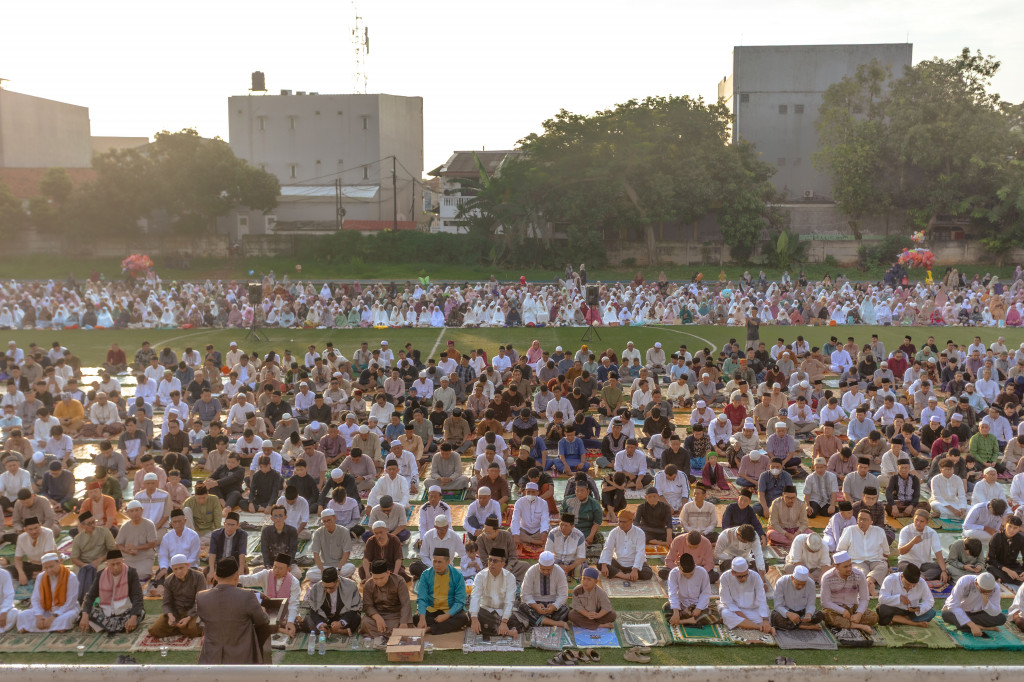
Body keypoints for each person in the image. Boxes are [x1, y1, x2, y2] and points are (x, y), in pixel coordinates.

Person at [197, 557, 271, 664]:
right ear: (237, 577)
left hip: (211, 657)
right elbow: (263, 621)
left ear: (215, 576)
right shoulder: (247, 596)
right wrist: (262, 610)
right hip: (241, 658)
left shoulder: (201, 597)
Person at [78, 549, 144, 634]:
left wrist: (133, 617)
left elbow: (137, 596)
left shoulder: (131, 573)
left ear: (123, 561)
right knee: (85, 613)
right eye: (112, 564)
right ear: (107, 564)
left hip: (126, 611)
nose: (116, 567)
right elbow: (90, 596)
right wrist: (85, 615)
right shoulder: (100, 575)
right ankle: (117, 626)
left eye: (118, 563)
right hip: (106, 612)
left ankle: (103, 626)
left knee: (140, 613)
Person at [17, 552, 80, 632]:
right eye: (46, 568)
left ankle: (34, 627)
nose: (49, 570)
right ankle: (54, 627)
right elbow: (35, 599)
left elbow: (71, 602)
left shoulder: (71, 577)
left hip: (65, 610)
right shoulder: (41, 577)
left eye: (51, 566)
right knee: (22, 615)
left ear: (59, 563)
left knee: (68, 617)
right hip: (46, 609)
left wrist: (54, 616)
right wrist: (39, 616)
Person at [148, 553, 206, 639]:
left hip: (194, 612)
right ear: (172, 569)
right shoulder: (169, 580)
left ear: (187, 565)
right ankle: (180, 628)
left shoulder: (199, 577)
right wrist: (170, 616)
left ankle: (179, 628)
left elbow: (200, 601)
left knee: (191, 629)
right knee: (155, 630)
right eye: (175, 569)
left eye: (181, 568)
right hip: (176, 612)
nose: (178, 571)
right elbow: (167, 603)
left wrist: (188, 618)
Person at [469, 547, 524, 637]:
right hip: (485, 611)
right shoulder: (480, 576)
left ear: (503, 563)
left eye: (495, 561)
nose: (491, 563)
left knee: (518, 617)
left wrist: (504, 621)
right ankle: (508, 632)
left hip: (503, 612)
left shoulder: (510, 577)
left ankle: (492, 629)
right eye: (489, 560)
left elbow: (509, 601)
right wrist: (474, 619)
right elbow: (475, 597)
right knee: (471, 615)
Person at [415, 547, 470, 635]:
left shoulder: (457, 575)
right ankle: (446, 626)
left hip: (450, 610)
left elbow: (460, 601)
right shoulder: (426, 574)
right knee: (416, 618)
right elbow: (422, 598)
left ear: (448, 562)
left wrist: (446, 616)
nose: (436, 565)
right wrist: (422, 619)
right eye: (434, 561)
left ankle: (430, 628)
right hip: (433, 609)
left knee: (463, 618)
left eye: (439, 562)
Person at [820, 551, 877, 634]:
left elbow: (864, 598)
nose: (849, 569)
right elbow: (825, 602)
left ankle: (846, 623)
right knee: (825, 615)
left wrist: (859, 614)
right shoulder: (827, 577)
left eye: (850, 565)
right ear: (836, 567)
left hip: (853, 608)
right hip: (835, 609)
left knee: (874, 617)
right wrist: (842, 611)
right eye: (845, 567)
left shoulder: (859, 575)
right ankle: (858, 626)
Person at [836, 509, 890, 595]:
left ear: (871, 522)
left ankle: (868, 582)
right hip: (857, 561)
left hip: (876, 561)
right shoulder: (849, 530)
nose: (861, 521)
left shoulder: (879, 531)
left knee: (882, 567)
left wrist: (888, 565)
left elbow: (886, 552)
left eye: (865, 520)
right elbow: (841, 550)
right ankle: (870, 586)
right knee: (860, 571)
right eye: (859, 519)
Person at [69, 510, 117, 603]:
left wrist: (100, 560)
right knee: (73, 573)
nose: (93, 525)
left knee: (102, 570)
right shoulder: (78, 538)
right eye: (89, 524)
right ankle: (78, 599)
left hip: (102, 562)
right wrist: (84, 565)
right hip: (84, 564)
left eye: (93, 522)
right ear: (82, 526)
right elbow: (74, 558)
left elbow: (113, 550)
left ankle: (101, 597)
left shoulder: (104, 532)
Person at [718, 557, 774, 634]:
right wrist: (745, 619)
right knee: (725, 613)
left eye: (745, 575)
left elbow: (762, 600)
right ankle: (757, 627)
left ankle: (743, 624)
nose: (743, 578)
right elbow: (727, 601)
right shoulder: (725, 577)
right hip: (735, 610)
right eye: (740, 576)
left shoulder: (755, 576)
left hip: (753, 610)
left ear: (748, 571)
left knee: (764, 618)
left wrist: (765, 620)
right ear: (732, 573)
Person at [941, 572, 1007, 635]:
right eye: (983, 591)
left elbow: (995, 611)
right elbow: (953, 605)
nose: (987, 593)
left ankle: (965, 626)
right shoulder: (964, 581)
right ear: (976, 583)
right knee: (946, 614)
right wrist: (972, 625)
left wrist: (986, 600)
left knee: (1001, 618)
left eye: (989, 592)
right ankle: (982, 627)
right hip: (960, 611)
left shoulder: (995, 588)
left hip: (978, 613)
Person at [518, 552, 570, 630]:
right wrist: (536, 606)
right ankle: (556, 623)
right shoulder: (531, 571)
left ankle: (540, 622)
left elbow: (563, 595)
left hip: (552, 604)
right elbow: (525, 594)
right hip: (535, 604)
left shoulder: (559, 571)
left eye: (549, 569)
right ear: (538, 563)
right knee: (523, 608)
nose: (545, 572)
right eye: (543, 569)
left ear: (553, 564)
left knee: (565, 610)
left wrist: (554, 606)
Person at [304, 566, 362, 635]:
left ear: (337, 581)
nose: (328, 590)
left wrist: (341, 623)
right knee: (307, 621)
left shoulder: (350, 585)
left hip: (342, 616)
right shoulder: (316, 588)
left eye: (331, 588)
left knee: (356, 618)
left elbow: (354, 608)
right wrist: (321, 624)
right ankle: (339, 631)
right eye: (325, 587)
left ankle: (331, 631)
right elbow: (313, 609)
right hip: (325, 617)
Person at [663, 553, 718, 626]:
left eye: (691, 574)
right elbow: (672, 593)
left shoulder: (702, 572)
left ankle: (680, 621)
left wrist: (698, 608)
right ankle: (692, 620)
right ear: (679, 568)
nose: (688, 576)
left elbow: (705, 593)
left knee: (717, 615)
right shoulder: (674, 573)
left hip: (696, 605)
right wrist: (676, 612)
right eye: (685, 574)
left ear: (695, 567)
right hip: (681, 605)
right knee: (666, 607)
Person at [896, 508, 949, 582]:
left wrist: (944, 571)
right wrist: (912, 542)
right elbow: (901, 551)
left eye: (921, 521)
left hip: (923, 564)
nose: (918, 523)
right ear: (913, 519)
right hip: (907, 562)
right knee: (903, 568)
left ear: (927, 523)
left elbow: (938, 553)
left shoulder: (932, 533)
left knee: (940, 568)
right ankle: (921, 577)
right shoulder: (905, 531)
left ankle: (918, 577)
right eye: (916, 520)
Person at [599, 509, 653, 580]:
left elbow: (640, 552)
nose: (621, 524)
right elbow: (608, 548)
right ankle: (624, 576)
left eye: (624, 522)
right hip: (619, 563)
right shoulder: (614, 532)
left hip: (634, 564)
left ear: (631, 521)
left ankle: (618, 573)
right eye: (619, 521)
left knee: (647, 573)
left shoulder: (640, 533)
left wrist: (635, 570)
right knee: (600, 563)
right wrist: (604, 565)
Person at [771, 565, 824, 631]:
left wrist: (808, 614)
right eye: (798, 584)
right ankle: (805, 626)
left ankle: (795, 624)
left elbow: (811, 604)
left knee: (819, 615)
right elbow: (778, 605)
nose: (800, 587)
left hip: (802, 613)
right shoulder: (782, 582)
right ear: (792, 578)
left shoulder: (810, 583)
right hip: (787, 611)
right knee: (775, 616)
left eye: (803, 584)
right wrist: (788, 614)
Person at [207, 512, 248, 582]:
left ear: (238, 526)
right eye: (228, 524)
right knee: (207, 572)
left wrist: (240, 571)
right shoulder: (215, 534)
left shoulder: (242, 535)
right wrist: (211, 570)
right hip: (219, 565)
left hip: (234, 565)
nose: (229, 527)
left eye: (233, 525)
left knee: (245, 571)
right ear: (224, 524)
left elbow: (242, 554)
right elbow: (212, 553)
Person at [311, 509, 352, 575]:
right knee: (310, 574)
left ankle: (331, 577)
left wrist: (339, 569)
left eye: (329, 520)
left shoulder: (344, 531)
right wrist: (322, 570)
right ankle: (336, 577)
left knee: (351, 568)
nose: (327, 524)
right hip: (325, 565)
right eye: (324, 521)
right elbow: (315, 553)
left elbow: (347, 552)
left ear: (335, 518)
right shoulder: (318, 532)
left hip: (340, 565)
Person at [986, 516, 1024, 587]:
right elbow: (990, 559)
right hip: (998, 567)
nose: (1011, 530)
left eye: (1015, 528)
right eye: (1010, 526)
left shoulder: (1021, 538)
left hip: (1013, 566)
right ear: (1005, 525)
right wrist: (1008, 571)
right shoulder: (996, 537)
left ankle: (1004, 579)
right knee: (989, 569)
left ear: (1019, 528)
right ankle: (1015, 579)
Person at [767, 485, 809, 549]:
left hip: (795, 530)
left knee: (811, 534)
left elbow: (804, 523)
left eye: (793, 498)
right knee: (772, 534)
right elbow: (774, 524)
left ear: (796, 496)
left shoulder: (801, 504)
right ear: (783, 496)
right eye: (788, 498)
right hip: (780, 531)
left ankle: (791, 542)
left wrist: (798, 532)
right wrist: (786, 534)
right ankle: (798, 542)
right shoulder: (776, 504)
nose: (790, 500)